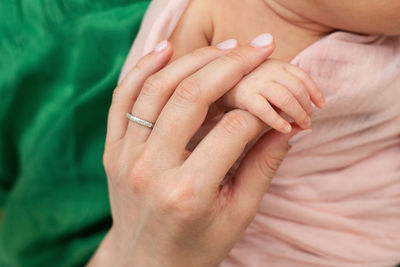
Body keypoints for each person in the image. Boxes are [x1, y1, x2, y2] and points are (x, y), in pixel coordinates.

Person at [90, 0, 400, 266]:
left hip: (359, 227)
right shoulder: (215, 11)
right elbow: (153, 122)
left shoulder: (381, 34)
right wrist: (232, 92)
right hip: (244, 240)